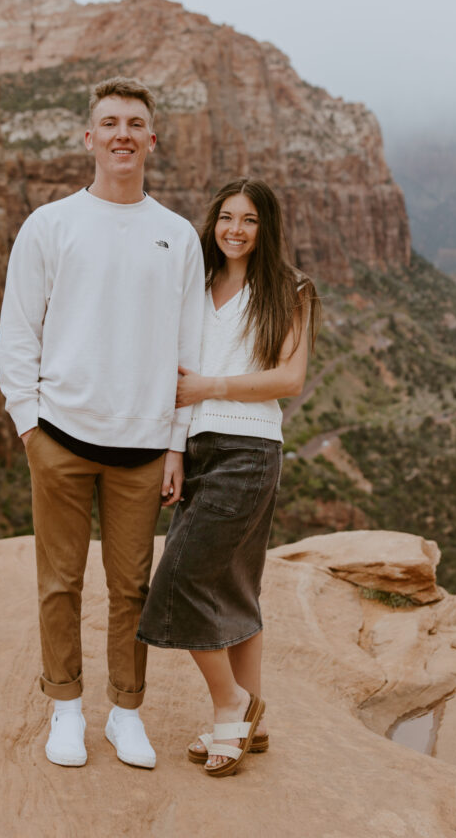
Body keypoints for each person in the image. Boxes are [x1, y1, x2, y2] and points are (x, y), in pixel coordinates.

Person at [0, 76, 205, 770]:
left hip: (142, 448)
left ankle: (124, 713)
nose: (121, 133)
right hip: (59, 437)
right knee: (58, 583)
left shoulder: (176, 237)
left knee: (132, 589)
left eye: (134, 123)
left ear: (151, 138)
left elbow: (189, 353)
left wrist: (176, 444)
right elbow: (17, 332)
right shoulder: (50, 225)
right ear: (89, 138)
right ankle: (64, 709)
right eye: (108, 122)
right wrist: (28, 423)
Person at [137, 177, 320, 777]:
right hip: (198, 447)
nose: (235, 230)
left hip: (250, 450)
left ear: (265, 229)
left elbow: (289, 380)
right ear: (212, 221)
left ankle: (230, 702)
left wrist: (211, 388)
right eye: (226, 217)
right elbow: (177, 370)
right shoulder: (197, 284)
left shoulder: (291, 290)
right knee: (237, 586)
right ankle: (250, 725)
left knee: (175, 585)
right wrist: (175, 450)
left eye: (249, 221)